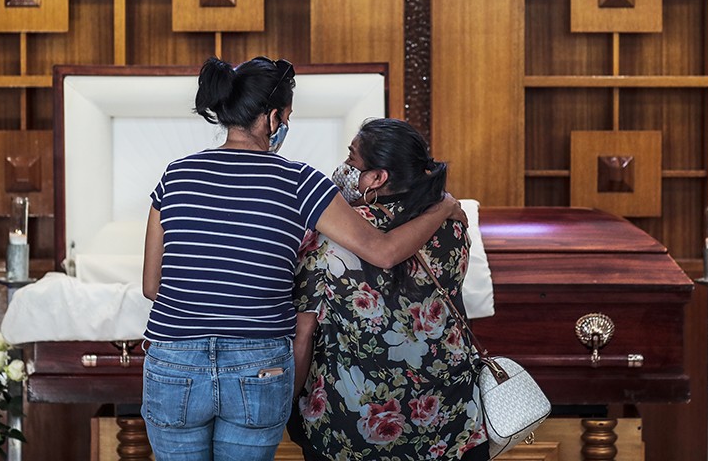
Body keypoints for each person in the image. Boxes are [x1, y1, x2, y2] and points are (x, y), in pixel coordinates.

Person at [140, 56, 467, 461]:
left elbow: (151, 286)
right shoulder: (300, 181)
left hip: (174, 358)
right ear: (273, 118)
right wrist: (443, 206)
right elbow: (384, 252)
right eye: (288, 116)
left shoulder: (175, 175)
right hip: (257, 364)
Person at [289, 118, 489, 461]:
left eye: (353, 161)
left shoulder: (331, 236)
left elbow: (303, 333)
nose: (345, 169)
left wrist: (288, 403)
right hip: (447, 417)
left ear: (378, 178)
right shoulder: (452, 226)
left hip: (350, 425)